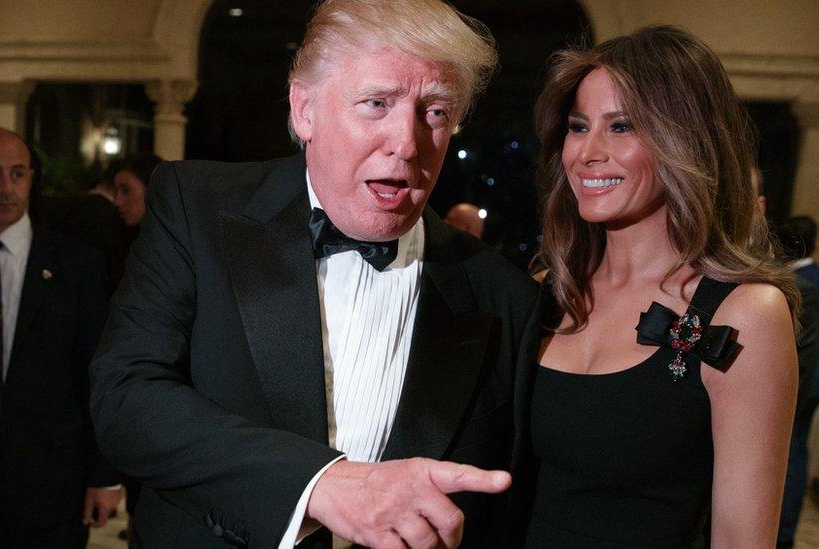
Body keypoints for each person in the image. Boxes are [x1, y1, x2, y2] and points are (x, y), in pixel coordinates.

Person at [90, 1, 540, 548]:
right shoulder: (196, 208)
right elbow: (126, 396)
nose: (408, 142)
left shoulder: (504, 297)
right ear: (305, 109)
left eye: (436, 112)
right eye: (376, 103)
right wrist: (319, 485)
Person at [524, 26, 799, 547]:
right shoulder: (545, 292)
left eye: (622, 126)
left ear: (685, 139)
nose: (587, 152)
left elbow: (742, 537)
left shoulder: (745, 314)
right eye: (579, 126)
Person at [0, 127, 121, 547]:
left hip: (51, 487)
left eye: (17, 174)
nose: (6, 188)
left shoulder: (76, 265)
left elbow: (98, 373)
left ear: (32, 179)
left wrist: (103, 476)